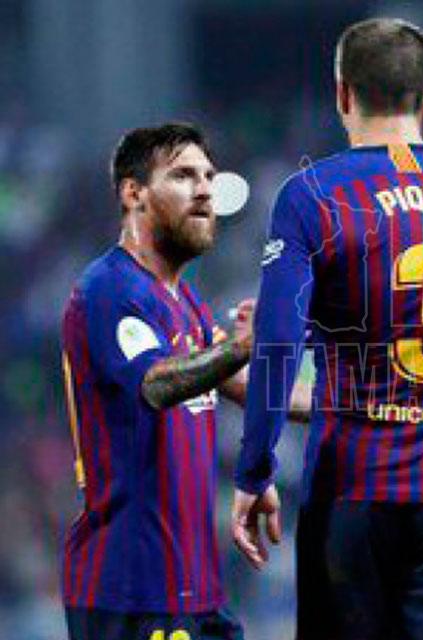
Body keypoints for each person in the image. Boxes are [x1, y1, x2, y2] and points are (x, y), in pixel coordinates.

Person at [231, 18, 423, 640]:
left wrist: (254, 471)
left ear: (342, 94)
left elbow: (278, 344)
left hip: (354, 492)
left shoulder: (311, 193)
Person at [60, 123, 252, 640]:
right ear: (134, 193)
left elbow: (251, 389)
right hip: (132, 591)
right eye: (184, 175)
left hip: (195, 591)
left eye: (208, 176)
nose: (205, 189)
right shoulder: (109, 288)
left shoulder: (184, 300)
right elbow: (156, 385)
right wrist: (241, 346)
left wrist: (368, 398)